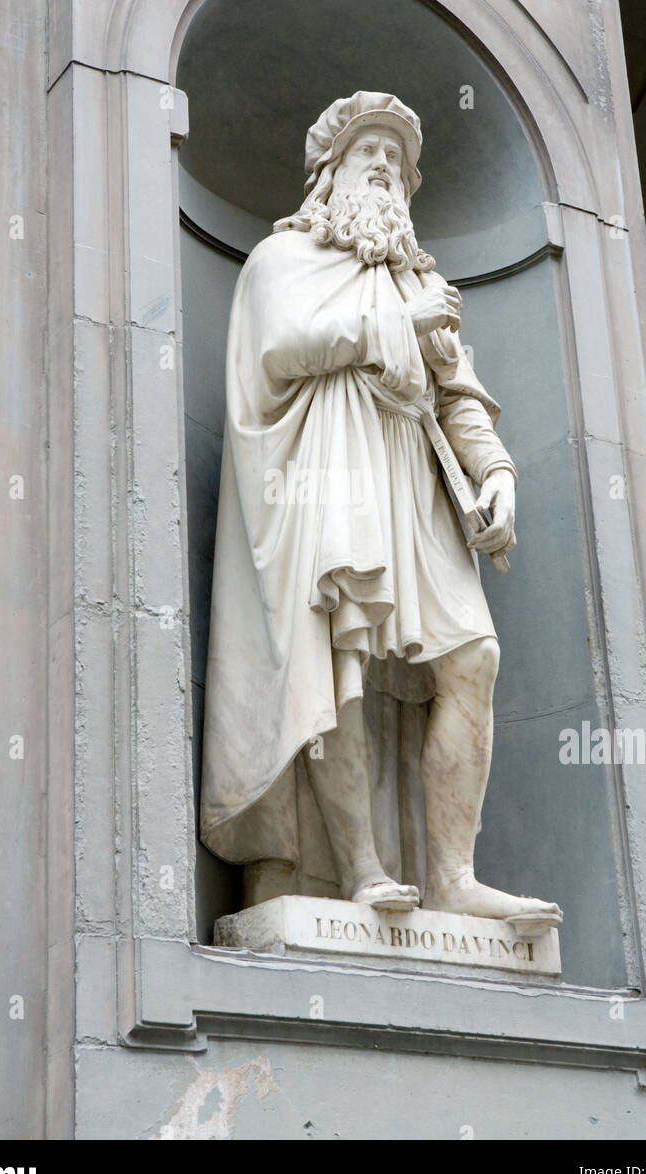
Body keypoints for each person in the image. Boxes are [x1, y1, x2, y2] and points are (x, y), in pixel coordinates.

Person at [201, 91, 561, 928]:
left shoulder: (419, 282)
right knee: (343, 662)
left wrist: (495, 473)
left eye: (399, 165)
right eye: (371, 155)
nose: (387, 172)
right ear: (328, 174)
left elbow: (457, 392)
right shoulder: (280, 261)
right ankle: (358, 869)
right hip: (328, 477)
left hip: (415, 479)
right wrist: (400, 318)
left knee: (473, 658)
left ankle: (452, 875)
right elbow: (282, 348)